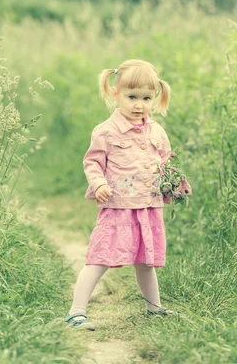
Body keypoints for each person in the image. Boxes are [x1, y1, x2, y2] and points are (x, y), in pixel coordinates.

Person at [63, 59, 190, 331]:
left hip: (147, 207)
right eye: (132, 97)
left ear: (155, 98)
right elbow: (93, 163)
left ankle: (154, 308)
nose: (139, 105)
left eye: (146, 98)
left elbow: (165, 161)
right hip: (118, 207)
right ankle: (76, 311)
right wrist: (98, 185)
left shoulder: (157, 131)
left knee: (146, 262)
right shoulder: (106, 131)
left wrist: (175, 182)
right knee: (100, 258)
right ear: (115, 93)